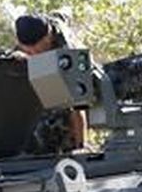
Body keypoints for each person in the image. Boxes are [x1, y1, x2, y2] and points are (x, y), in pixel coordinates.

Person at [11, 13, 86, 153]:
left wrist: (81, 147)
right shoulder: (27, 38)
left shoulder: (67, 52)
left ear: (48, 37)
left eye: (37, 49)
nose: (33, 52)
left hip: (81, 81)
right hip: (48, 80)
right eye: (28, 49)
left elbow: (78, 107)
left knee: (59, 114)